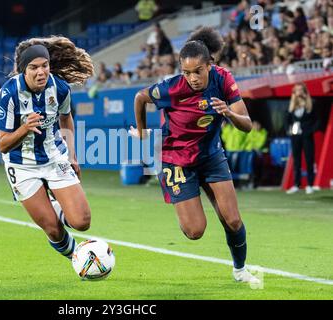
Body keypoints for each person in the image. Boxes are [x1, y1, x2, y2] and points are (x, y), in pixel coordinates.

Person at [130, 27, 260, 284]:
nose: (192, 78)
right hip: (177, 160)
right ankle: (185, 199)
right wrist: (143, 132)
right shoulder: (171, 88)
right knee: (194, 231)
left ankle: (240, 270)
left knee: (232, 220)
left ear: (209, 65)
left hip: (211, 156)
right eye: (186, 72)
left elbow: (247, 125)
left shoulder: (223, 80)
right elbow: (140, 96)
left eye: (197, 71)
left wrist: (229, 114)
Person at [0, 37, 94, 260]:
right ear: (23, 70)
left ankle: (54, 202)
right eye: (34, 67)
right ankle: (78, 259)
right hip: (22, 166)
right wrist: (24, 128)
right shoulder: (9, 94)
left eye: (44, 66)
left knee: (81, 222)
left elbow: (66, 118)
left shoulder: (59, 88)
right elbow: (2, 144)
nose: (41, 72)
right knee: (53, 230)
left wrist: (72, 155)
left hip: (54, 158)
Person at [285, 82, 316, 195]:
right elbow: (287, 120)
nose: (298, 92)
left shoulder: (311, 103)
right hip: (295, 136)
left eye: (300, 90)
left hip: (307, 136)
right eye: (296, 90)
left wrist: (309, 131)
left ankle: (310, 185)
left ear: (304, 91)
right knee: (296, 161)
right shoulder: (292, 105)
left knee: (309, 160)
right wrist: (288, 131)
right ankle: (296, 185)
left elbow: (318, 121)